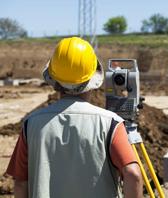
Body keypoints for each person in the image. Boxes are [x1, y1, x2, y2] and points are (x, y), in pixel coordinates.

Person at [5, 37, 143, 198]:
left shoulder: (31, 124)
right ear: (94, 78)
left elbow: (21, 182)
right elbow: (133, 174)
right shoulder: (110, 123)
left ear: (53, 79)